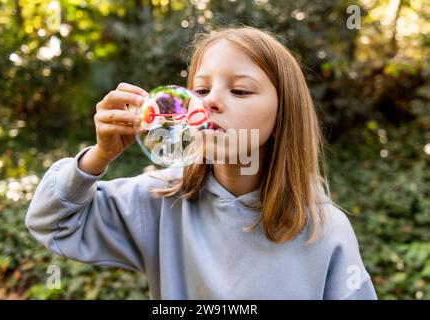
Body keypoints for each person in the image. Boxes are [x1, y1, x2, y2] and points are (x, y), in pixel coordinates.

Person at [25, 26, 377, 299]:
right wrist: (98, 157)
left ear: (284, 114)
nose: (211, 103)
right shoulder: (162, 199)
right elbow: (52, 223)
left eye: (239, 91)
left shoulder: (325, 228)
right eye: (202, 90)